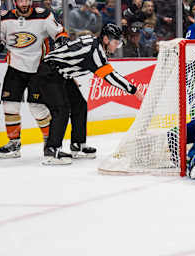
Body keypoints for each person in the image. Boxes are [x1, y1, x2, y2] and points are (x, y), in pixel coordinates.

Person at [36, 24, 142, 165]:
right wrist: (133, 90)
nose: (117, 46)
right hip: (49, 72)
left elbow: (68, 53)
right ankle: (52, 150)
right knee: (61, 109)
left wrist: (69, 71)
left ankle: (78, 145)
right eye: (115, 42)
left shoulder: (93, 43)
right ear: (105, 39)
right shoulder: (95, 52)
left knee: (80, 105)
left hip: (61, 73)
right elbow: (111, 77)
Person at [0, 0, 68, 159]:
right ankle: (14, 143)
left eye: (27, 0)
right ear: (14, 1)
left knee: (37, 107)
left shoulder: (43, 15)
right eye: (20, 0)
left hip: (38, 69)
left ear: (31, 0)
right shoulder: (3, 19)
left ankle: (49, 141)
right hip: (15, 68)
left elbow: (60, 33)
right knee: (9, 106)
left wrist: (62, 41)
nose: (24, 4)